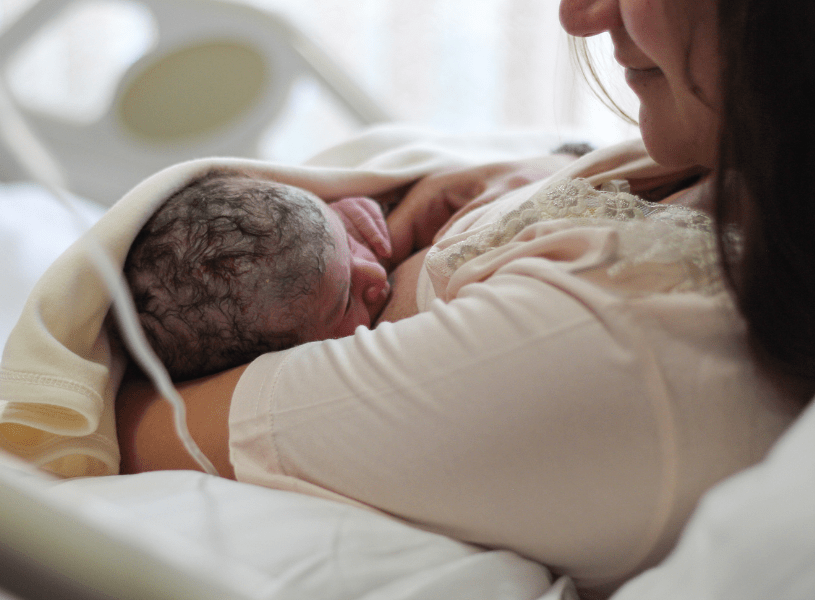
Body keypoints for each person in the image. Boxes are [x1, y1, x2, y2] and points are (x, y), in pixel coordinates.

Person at [116, 0, 815, 598]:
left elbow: (129, 421)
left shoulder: (615, 344)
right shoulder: (736, 167)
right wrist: (551, 166)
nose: (577, 15)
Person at [118, 167, 392, 382]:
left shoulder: (319, 259)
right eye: (343, 306)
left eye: (348, 239)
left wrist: (368, 211)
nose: (377, 271)